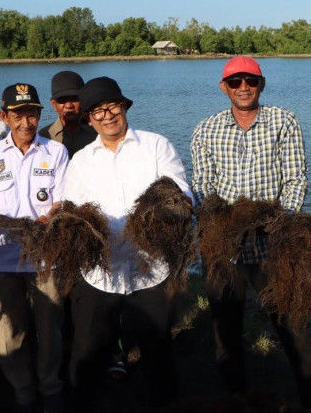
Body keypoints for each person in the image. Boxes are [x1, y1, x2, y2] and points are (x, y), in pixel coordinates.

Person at [190, 55, 311, 410]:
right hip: (223, 248)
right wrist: (220, 224)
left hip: (272, 244)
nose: (244, 88)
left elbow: (295, 180)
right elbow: (202, 185)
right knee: (226, 329)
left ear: (261, 84)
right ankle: (236, 396)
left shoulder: (284, 121)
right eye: (235, 82)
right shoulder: (206, 129)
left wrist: (275, 224)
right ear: (224, 87)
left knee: (293, 325)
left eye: (251, 81)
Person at [62, 76, 192, 410]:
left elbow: (180, 189)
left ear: (124, 107)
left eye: (112, 106)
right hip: (101, 272)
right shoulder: (80, 161)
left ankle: (163, 403)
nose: (106, 116)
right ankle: (81, 402)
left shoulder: (155, 146)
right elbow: (72, 210)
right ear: (88, 119)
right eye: (96, 111)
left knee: (157, 349)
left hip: (152, 268)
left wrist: (171, 207)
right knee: (86, 351)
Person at [0, 83, 68, 413]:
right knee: (8, 330)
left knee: (49, 328)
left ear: (39, 114)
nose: (26, 122)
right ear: (4, 116)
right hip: (2, 258)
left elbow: (62, 202)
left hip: (45, 259)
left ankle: (50, 388)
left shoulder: (55, 152)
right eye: (18, 115)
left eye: (32, 114)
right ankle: (23, 392)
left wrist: (45, 221)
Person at [38, 71, 96, 158]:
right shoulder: (43, 137)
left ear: (83, 100)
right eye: (62, 100)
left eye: (74, 98)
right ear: (54, 104)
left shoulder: (98, 132)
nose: (69, 105)